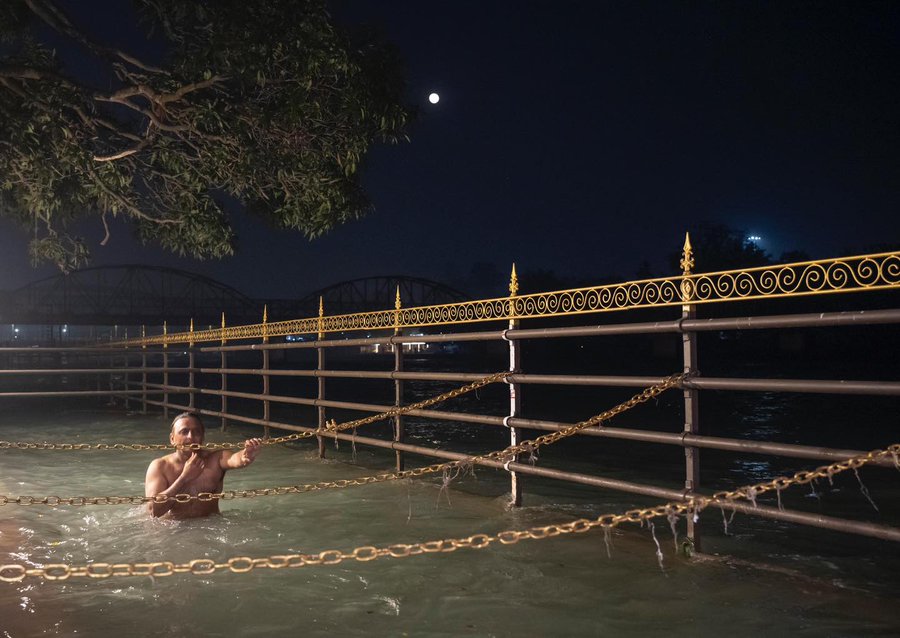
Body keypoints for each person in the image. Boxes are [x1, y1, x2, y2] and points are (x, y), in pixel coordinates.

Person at [144, 412, 262, 519]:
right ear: (172, 439)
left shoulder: (216, 458)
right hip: (173, 529)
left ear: (203, 437)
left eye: (196, 432)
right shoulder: (160, 466)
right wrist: (184, 478)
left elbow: (234, 459)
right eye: (184, 432)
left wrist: (246, 455)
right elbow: (153, 511)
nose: (191, 437)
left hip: (210, 527)